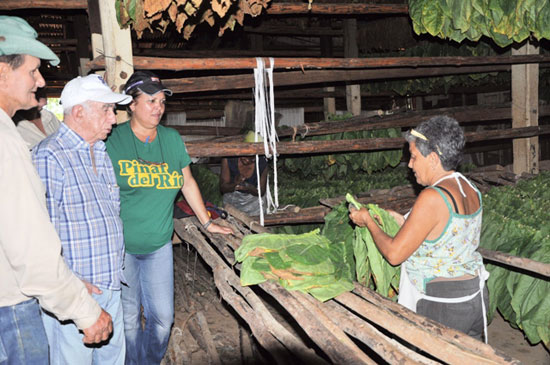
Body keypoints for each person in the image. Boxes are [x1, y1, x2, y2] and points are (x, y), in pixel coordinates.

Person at [0, 15, 112, 364]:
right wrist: (82, 308)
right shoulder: (9, 143)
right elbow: (30, 244)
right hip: (10, 309)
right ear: (2, 70)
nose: (40, 80)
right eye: (33, 71)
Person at [105, 70, 233, 364]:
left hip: (159, 246)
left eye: (161, 101)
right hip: (120, 248)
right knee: (128, 322)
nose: (158, 107)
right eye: (150, 100)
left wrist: (208, 222)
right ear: (131, 104)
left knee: (162, 320)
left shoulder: (172, 139)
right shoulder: (112, 140)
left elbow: (187, 182)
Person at [349, 115, 489, 341]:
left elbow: (394, 254)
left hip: (443, 305)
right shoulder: (467, 187)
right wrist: (396, 220)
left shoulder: (433, 197)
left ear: (433, 158)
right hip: (473, 296)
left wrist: (369, 222)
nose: (410, 165)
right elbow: (443, 234)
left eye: (414, 157)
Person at [32, 74, 132, 364]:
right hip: (76, 292)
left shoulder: (99, 151)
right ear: (78, 112)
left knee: (113, 359)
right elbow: (40, 232)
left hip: (110, 281)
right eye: (106, 110)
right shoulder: (49, 155)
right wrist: (70, 283)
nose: (113, 119)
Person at [220, 132, 269, 216]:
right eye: (245, 157)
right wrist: (235, 184)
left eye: (252, 159)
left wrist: (249, 188)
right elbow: (223, 188)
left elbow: (261, 191)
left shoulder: (262, 163)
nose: (247, 161)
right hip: (232, 202)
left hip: (254, 205)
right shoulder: (229, 160)